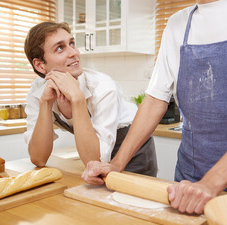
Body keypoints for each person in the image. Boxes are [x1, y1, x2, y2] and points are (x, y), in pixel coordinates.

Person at [82, 0, 227, 214]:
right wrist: (116, 164)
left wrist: (210, 184)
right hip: (186, 183)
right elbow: (154, 100)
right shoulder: (176, 23)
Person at [23, 22, 157, 176]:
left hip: (133, 154)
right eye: (60, 48)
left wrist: (77, 99)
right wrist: (45, 104)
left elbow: (96, 161)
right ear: (40, 65)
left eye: (72, 43)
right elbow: (38, 159)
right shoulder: (39, 91)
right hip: (95, 150)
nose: (73, 52)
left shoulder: (103, 88)